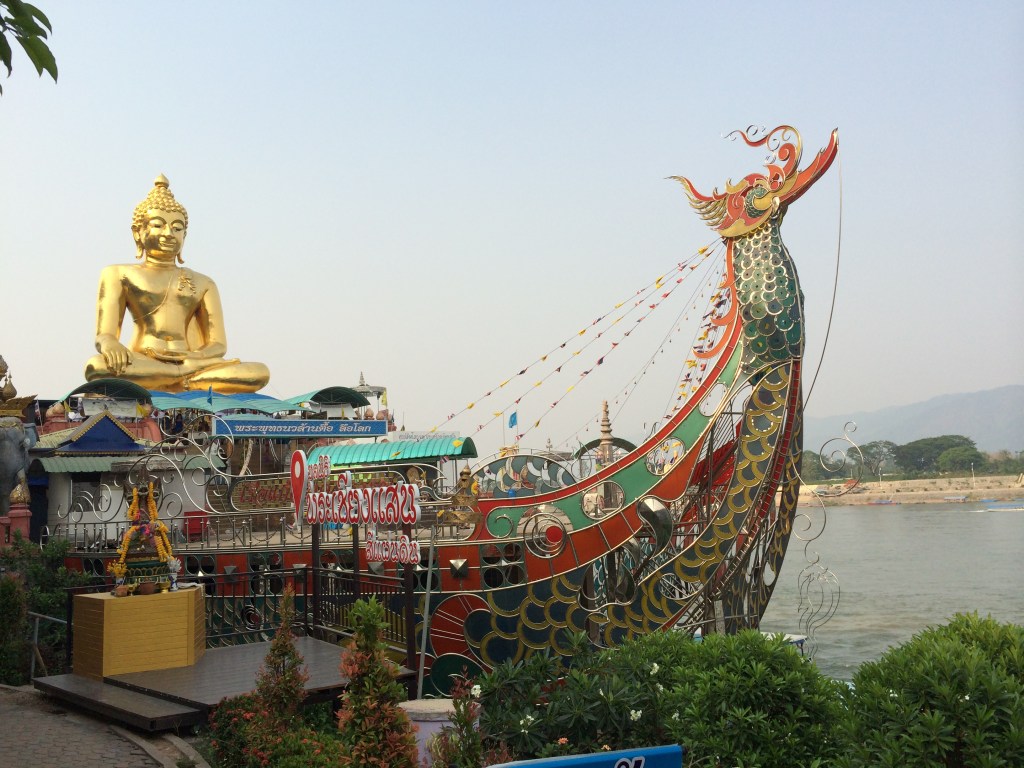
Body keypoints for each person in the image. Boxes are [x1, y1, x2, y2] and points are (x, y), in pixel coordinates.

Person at [83, 175, 270, 393]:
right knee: (96, 366)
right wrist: (110, 345)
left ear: (185, 235)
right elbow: (105, 334)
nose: (168, 234)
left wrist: (195, 358)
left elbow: (218, 345)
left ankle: (180, 378)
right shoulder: (118, 273)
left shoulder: (204, 282)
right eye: (157, 225)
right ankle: (181, 378)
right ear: (138, 232)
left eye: (177, 227)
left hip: (194, 361)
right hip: (143, 360)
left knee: (259, 372)